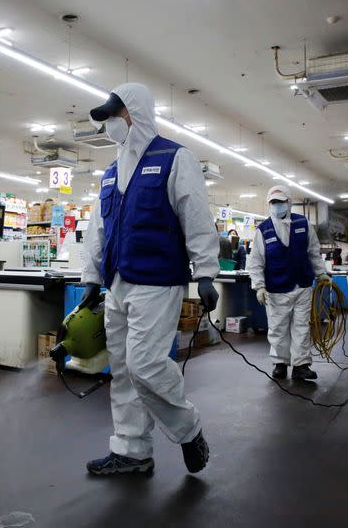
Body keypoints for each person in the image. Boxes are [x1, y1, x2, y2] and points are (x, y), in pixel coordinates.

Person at [80, 83, 219, 476]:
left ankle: (188, 430)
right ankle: (131, 450)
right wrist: (91, 276)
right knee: (123, 368)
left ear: (134, 113)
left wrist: (206, 271)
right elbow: (98, 230)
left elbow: (196, 215)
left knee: (145, 365)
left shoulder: (175, 158)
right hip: (118, 283)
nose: (109, 124)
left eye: (114, 115)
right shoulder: (110, 173)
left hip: (158, 280)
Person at [247, 185, 331, 380]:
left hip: (302, 285)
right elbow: (256, 262)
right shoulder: (263, 230)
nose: (277, 206)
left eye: (281, 202)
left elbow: (313, 252)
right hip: (276, 288)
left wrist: (321, 273)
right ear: (269, 204)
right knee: (278, 327)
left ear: (289, 202)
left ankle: (301, 365)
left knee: (302, 325)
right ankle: (280, 363)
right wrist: (259, 286)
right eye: (273, 202)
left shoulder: (303, 223)